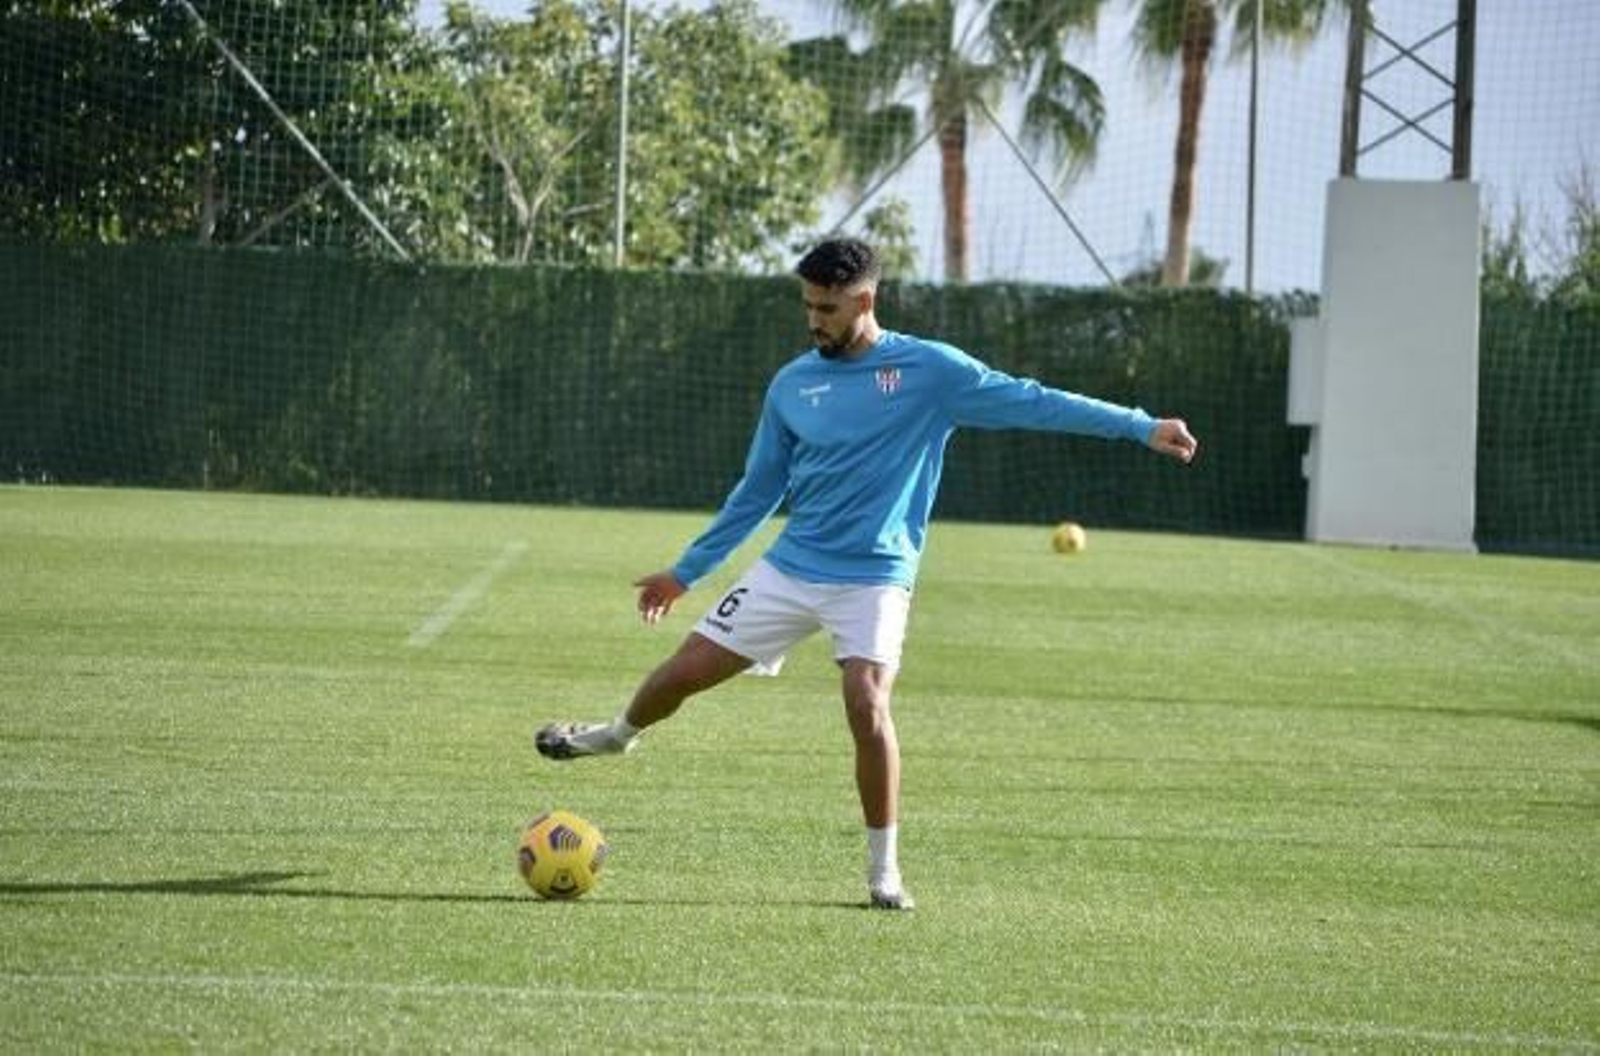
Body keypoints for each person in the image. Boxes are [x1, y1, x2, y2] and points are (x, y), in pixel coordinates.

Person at [536, 238, 1198, 910]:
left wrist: (1140, 427)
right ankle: (617, 737)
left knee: (866, 701)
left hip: (876, 576)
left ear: (866, 300)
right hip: (793, 569)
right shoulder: (793, 384)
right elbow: (757, 491)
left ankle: (884, 872)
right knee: (680, 676)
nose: (813, 320)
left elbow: (1034, 401)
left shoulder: (930, 371)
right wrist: (686, 572)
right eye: (807, 305)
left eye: (826, 307)